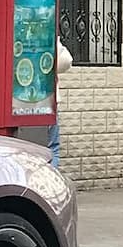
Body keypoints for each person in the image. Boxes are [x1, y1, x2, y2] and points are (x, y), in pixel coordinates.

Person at [50, 38, 73, 167]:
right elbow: (66, 60)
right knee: (52, 148)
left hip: (17, 104)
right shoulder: (47, 34)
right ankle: (50, 183)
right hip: (48, 101)